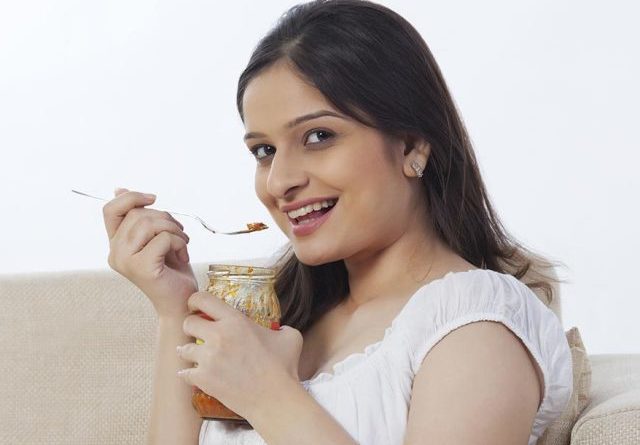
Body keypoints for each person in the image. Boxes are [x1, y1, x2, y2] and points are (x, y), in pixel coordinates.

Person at [102, 1, 573, 444]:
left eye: (318, 136)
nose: (280, 181)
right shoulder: (282, 315)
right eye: (264, 151)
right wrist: (175, 310)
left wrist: (268, 394)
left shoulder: (474, 321)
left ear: (412, 147)